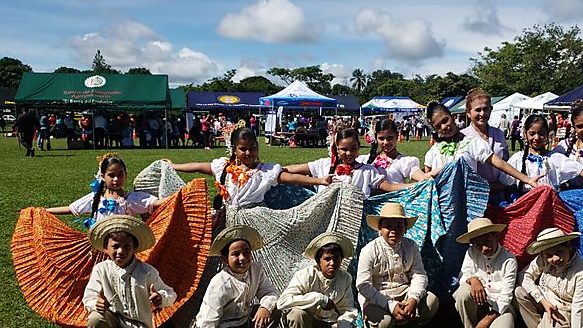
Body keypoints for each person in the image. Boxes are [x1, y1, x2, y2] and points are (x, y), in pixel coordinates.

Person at [167, 122, 333, 215]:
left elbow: (292, 178)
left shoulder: (266, 172)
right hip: (227, 215)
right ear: (234, 149)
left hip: (256, 218)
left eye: (252, 148)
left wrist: (320, 181)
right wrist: (174, 166)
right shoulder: (223, 167)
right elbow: (198, 166)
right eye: (243, 149)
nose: (248, 152)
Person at [83, 215, 176, 328]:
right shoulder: (101, 269)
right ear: (106, 249)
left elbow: (171, 294)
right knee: (95, 318)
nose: (121, 251)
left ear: (134, 248)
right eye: (115, 246)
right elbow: (89, 297)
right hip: (112, 321)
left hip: (139, 325)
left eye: (126, 246)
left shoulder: (147, 272)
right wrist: (97, 304)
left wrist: (160, 297)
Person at [356, 203, 439, 327]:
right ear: (380, 228)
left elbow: (419, 275)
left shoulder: (411, 246)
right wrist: (390, 305)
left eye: (399, 226)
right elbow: (363, 286)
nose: (393, 231)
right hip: (377, 296)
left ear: (405, 229)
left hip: (404, 292)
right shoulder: (369, 250)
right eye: (388, 226)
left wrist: (413, 298)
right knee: (385, 322)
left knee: (431, 302)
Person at [423, 102, 541, 189]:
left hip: (468, 203)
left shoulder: (471, 143)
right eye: (438, 126)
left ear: (452, 117)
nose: (444, 127)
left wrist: (527, 179)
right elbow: (425, 179)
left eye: (445, 120)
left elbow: (499, 163)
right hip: (440, 204)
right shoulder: (434, 151)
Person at [505, 114, 583, 194]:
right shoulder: (517, 159)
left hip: (548, 208)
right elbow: (504, 182)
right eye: (532, 133)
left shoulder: (556, 158)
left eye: (541, 133)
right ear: (525, 134)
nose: (537, 138)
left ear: (548, 134)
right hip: (524, 207)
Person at [45, 154, 166, 228]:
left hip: (122, 247)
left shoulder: (130, 199)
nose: (116, 179)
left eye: (120, 175)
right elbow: (70, 209)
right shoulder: (96, 198)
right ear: (103, 176)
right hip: (101, 246)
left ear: (126, 175)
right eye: (111, 175)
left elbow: (156, 203)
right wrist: (44, 211)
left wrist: (182, 193)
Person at [284, 128, 409, 199]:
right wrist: (320, 181)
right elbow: (290, 171)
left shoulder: (367, 171)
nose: (349, 153)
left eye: (353, 148)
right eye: (344, 149)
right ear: (336, 148)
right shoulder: (323, 165)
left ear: (359, 147)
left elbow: (390, 187)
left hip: (355, 220)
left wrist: (420, 185)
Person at [195, 225, 280, 328]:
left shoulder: (255, 270)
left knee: (274, 310)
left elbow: (270, 292)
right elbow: (207, 321)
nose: (242, 258)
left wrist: (265, 308)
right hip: (223, 326)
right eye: (236, 254)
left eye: (246, 252)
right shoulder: (220, 283)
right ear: (225, 260)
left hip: (245, 321)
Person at [515, 228, 583, 328]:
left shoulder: (582, 273)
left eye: (559, 252)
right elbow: (524, 276)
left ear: (568, 246)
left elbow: (579, 309)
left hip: (563, 311)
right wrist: (542, 301)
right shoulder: (543, 259)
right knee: (519, 292)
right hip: (545, 302)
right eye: (549, 255)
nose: (555, 259)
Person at [277, 232, 358, 328]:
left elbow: (347, 308)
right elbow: (282, 302)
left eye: (336, 258)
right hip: (306, 322)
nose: (332, 263)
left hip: (330, 323)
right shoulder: (306, 275)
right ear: (318, 261)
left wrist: (342, 323)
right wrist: (318, 298)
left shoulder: (345, 278)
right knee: (297, 314)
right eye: (327, 259)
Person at [453, 218, 516, 328]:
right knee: (462, 293)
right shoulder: (471, 252)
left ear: (496, 236)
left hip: (500, 306)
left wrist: (486, 321)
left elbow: (506, 294)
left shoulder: (508, 259)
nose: (485, 248)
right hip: (478, 303)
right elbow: (464, 275)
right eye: (478, 245)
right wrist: (473, 280)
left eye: (488, 241)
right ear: (473, 244)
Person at [461, 88, 511, 193]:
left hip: (500, 191)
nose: (482, 114)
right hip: (476, 194)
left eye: (485, 109)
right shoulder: (463, 137)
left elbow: (506, 160)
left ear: (491, 110)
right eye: (478, 110)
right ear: (468, 113)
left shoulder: (499, 134)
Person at [361, 119, 433, 184]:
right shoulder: (366, 160)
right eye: (381, 138)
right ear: (376, 138)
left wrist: (434, 174)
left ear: (397, 136)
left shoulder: (405, 162)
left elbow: (421, 176)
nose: (385, 142)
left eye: (390, 138)